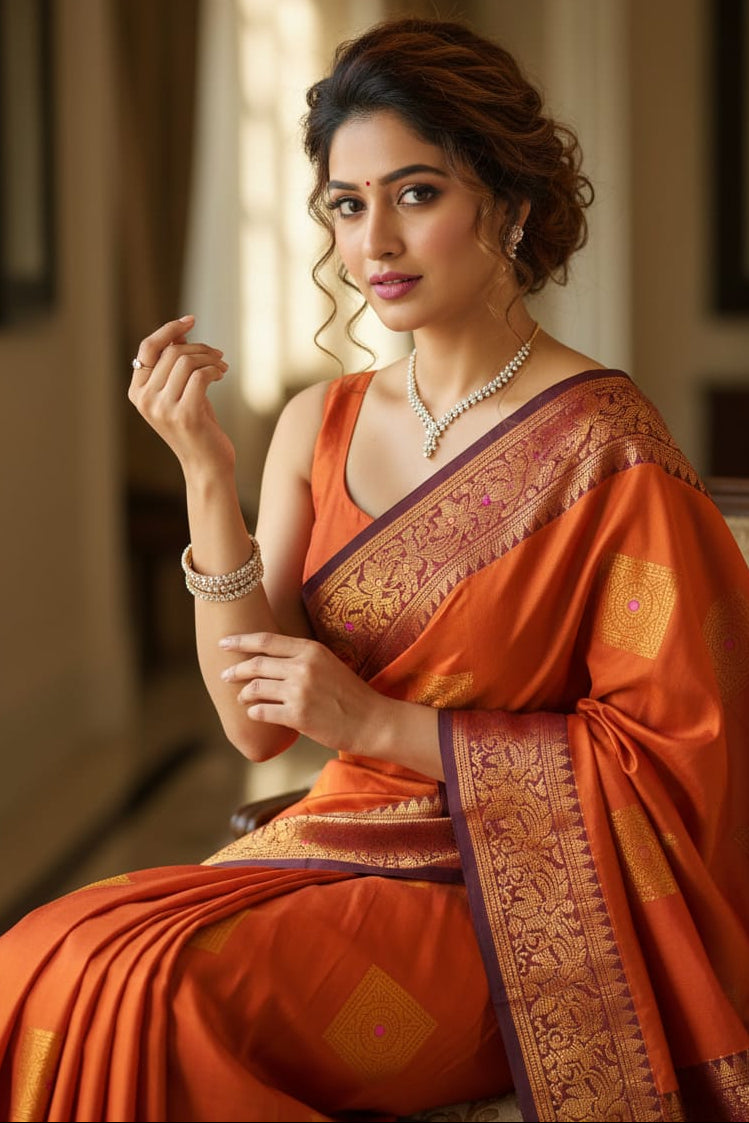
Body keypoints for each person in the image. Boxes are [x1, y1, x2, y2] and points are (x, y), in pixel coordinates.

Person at [1, 15, 748, 1123]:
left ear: (510, 204)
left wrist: (371, 721)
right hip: (329, 844)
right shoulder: (322, 420)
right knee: (38, 957)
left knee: (163, 987)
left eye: (415, 194)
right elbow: (255, 729)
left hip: (506, 889)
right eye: (346, 206)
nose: (373, 246)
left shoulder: (606, 446)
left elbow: (674, 759)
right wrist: (209, 477)